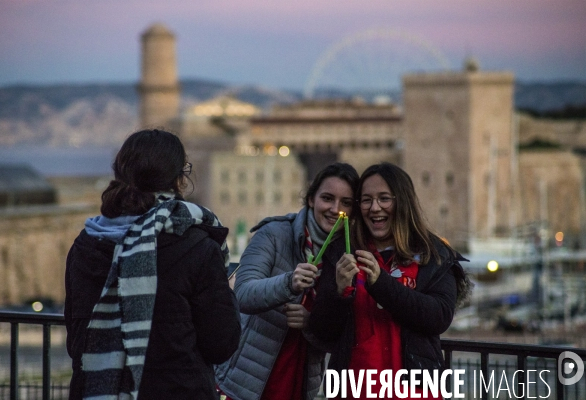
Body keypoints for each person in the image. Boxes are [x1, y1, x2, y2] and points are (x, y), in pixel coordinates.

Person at [64, 129, 240, 400]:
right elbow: (221, 343)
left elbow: (76, 338)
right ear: (178, 180)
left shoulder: (86, 243)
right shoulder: (197, 247)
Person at [309, 162, 472, 399]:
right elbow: (323, 331)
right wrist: (339, 291)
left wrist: (380, 283)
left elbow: (439, 316)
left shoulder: (433, 253)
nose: (375, 208)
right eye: (366, 200)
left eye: (384, 198)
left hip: (416, 392)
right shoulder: (342, 250)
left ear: (402, 202)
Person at [215, 163, 360, 400]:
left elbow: (342, 337)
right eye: (327, 198)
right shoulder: (273, 233)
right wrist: (288, 283)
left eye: (346, 203)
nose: (335, 209)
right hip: (247, 382)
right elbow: (241, 294)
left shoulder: (348, 254)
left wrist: (310, 321)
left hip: (301, 382)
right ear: (311, 199)